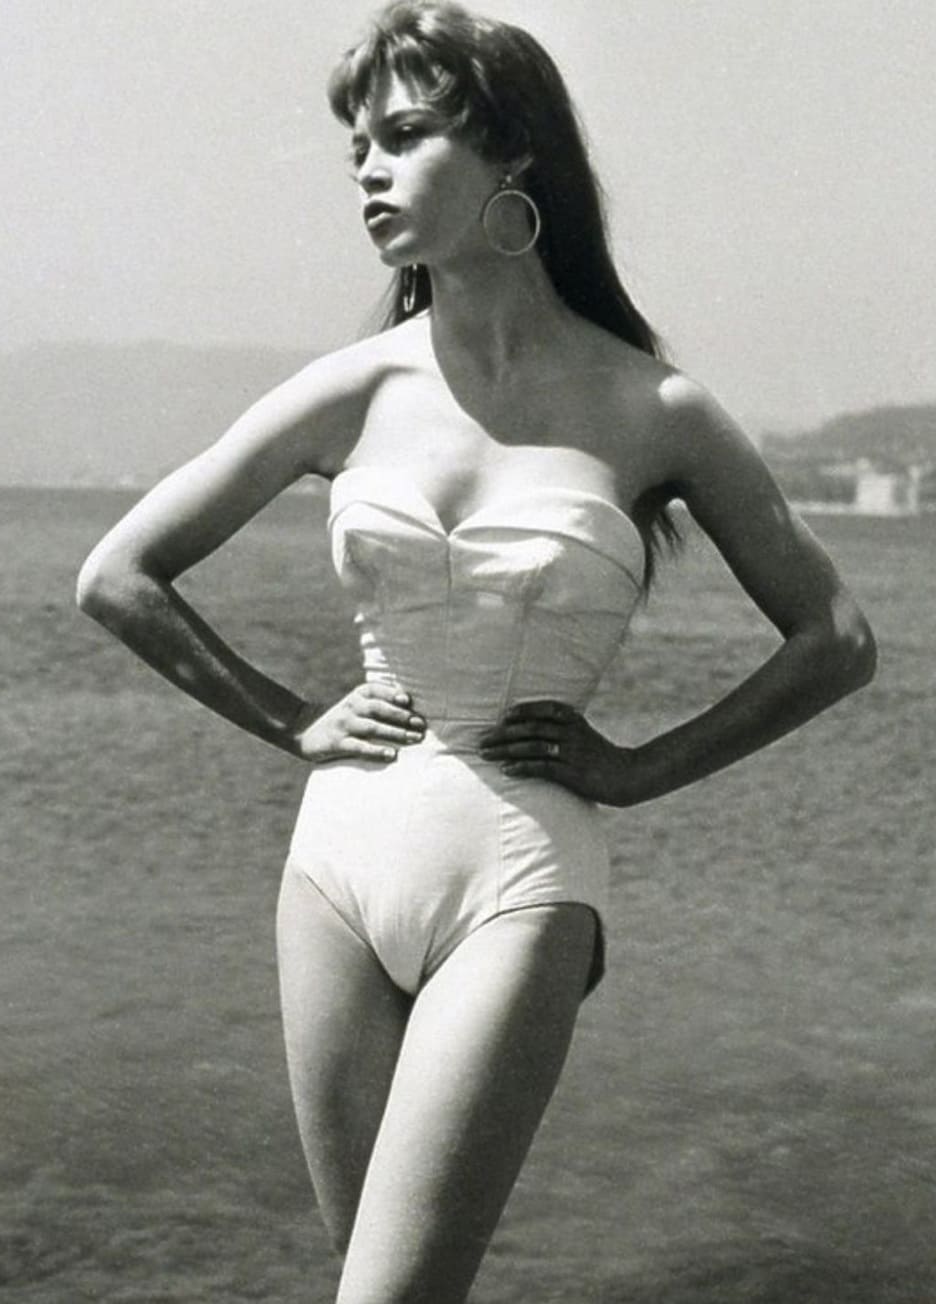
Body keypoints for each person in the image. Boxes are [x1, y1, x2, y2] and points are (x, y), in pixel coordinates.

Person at [76, 3, 876, 1299]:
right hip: (334, 870)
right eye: (357, 149)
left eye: (403, 137)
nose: (369, 172)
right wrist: (290, 719)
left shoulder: (655, 408)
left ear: (513, 151)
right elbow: (117, 576)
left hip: (520, 874)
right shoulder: (355, 388)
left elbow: (835, 640)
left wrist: (640, 769)